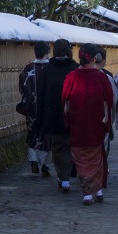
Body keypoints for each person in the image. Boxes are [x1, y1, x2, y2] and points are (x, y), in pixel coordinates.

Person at [62, 43, 115, 205]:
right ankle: (96, 190)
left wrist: (68, 120)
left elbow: (65, 102)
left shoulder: (71, 77)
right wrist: (106, 121)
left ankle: (88, 193)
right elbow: (109, 101)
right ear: (94, 58)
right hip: (96, 123)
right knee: (96, 156)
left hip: (77, 125)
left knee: (81, 158)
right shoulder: (101, 77)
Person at [33, 38, 79, 192]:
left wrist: (40, 119)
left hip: (52, 116)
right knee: (72, 145)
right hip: (73, 115)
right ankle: (67, 174)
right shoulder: (75, 69)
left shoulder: (48, 70)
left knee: (58, 148)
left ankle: (62, 176)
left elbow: (41, 95)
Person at [18, 41, 52, 176]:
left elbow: (22, 89)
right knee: (46, 136)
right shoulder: (51, 68)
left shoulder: (28, 69)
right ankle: (44, 165)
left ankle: (33, 160)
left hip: (31, 107)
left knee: (32, 133)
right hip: (48, 108)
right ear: (47, 52)